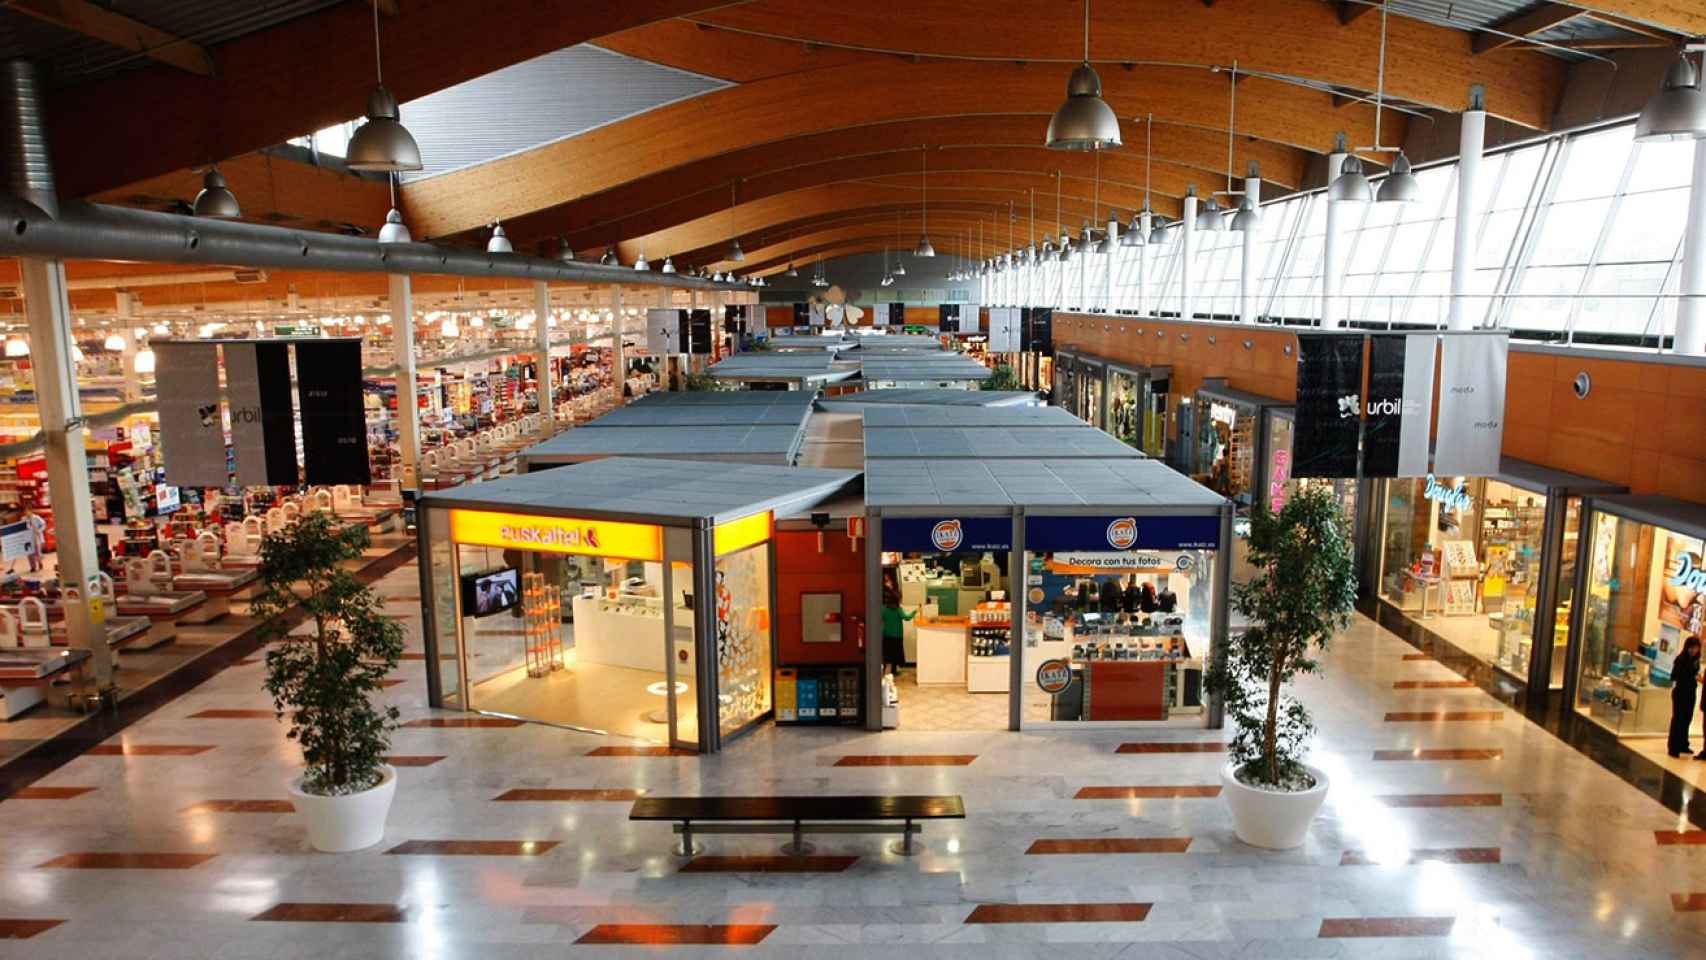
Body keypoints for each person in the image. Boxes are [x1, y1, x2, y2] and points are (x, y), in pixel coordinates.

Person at [1674, 635, 1702, 758]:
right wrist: (1691, 677)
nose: (1694, 650)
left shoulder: (1695, 660)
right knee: (1678, 719)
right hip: (1681, 692)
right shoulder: (1681, 659)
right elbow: (1675, 676)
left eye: (1696, 648)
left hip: (1691, 692)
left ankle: (1683, 744)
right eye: (1692, 648)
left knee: (1687, 719)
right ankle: (1673, 747)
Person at [880, 573, 914, 674]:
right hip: (897, 635)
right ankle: (894, 671)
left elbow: (880, 618)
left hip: (886, 634)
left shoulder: (883, 609)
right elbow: (907, 618)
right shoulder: (898, 609)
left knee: (886, 654)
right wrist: (914, 612)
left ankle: (883, 670)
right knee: (896, 654)